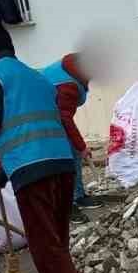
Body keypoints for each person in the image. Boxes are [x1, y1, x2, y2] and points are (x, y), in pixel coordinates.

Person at [0, 21, 104, 273]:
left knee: (46, 247)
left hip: (33, 171)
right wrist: (3, 172)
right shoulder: (37, 76)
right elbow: (30, 121)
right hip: (60, 165)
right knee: (56, 242)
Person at [39, 54, 101, 220]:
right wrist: (82, 147)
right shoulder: (68, 85)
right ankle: (66, 207)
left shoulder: (74, 67)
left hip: (52, 119)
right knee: (61, 160)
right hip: (41, 123)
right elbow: (64, 118)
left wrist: (78, 147)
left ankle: (78, 196)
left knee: (72, 152)